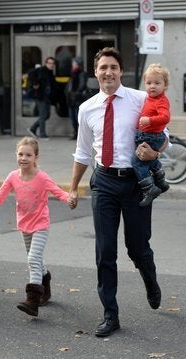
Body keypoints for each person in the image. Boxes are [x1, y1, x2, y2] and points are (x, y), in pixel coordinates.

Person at [68, 47, 164, 338]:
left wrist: (154, 152)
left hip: (135, 182)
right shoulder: (87, 108)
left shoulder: (139, 99)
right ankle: (111, 314)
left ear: (121, 71)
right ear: (95, 72)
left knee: (137, 247)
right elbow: (83, 152)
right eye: (102, 67)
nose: (108, 72)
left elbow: (164, 136)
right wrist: (73, 187)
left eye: (113, 67)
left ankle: (150, 277)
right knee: (105, 251)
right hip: (104, 182)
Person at [0, 137, 74, 317]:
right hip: (24, 225)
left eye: (28, 155)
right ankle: (46, 286)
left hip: (41, 225)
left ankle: (32, 300)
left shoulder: (42, 177)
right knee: (35, 259)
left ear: (36, 157)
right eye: (20, 154)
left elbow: (58, 192)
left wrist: (69, 199)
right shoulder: (13, 177)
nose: (24, 158)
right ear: (16, 155)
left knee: (33, 259)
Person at [131, 63, 171, 207]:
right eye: (148, 83)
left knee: (137, 161)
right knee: (150, 160)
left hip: (151, 136)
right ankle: (161, 181)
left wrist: (149, 120)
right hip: (148, 134)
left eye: (157, 83)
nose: (152, 86)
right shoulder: (149, 98)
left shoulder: (161, 100)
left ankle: (150, 189)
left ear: (165, 85)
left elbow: (165, 117)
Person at [27, 57, 56, 140]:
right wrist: (35, 84)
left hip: (47, 97)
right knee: (43, 115)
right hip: (40, 96)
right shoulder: (41, 70)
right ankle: (42, 134)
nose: (51, 65)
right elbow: (30, 74)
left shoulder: (50, 73)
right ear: (46, 63)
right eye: (49, 63)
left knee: (47, 115)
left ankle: (33, 128)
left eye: (52, 63)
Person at [64, 56, 88, 140]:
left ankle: (81, 135)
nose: (72, 65)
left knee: (78, 118)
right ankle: (75, 133)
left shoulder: (82, 73)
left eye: (74, 63)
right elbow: (69, 86)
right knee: (73, 118)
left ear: (78, 64)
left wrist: (75, 94)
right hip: (71, 99)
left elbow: (82, 86)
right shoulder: (72, 73)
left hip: (78, 99)